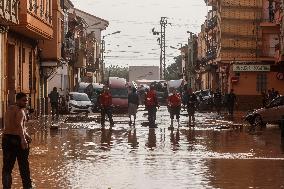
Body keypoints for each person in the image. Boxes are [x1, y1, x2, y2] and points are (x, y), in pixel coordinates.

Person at [2, 92, 33, 189]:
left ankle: (6, 187)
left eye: (26, 100)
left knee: (7, 168)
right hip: (17, 140)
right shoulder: (20, 111)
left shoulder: (9, 109)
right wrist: (23, 139)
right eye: (24, 101)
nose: (26, 103)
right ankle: (27, 187)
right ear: (18, 100)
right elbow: (19, 125)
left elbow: (14, 126)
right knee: (24, 168)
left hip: (6, 139)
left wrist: (26, 135)